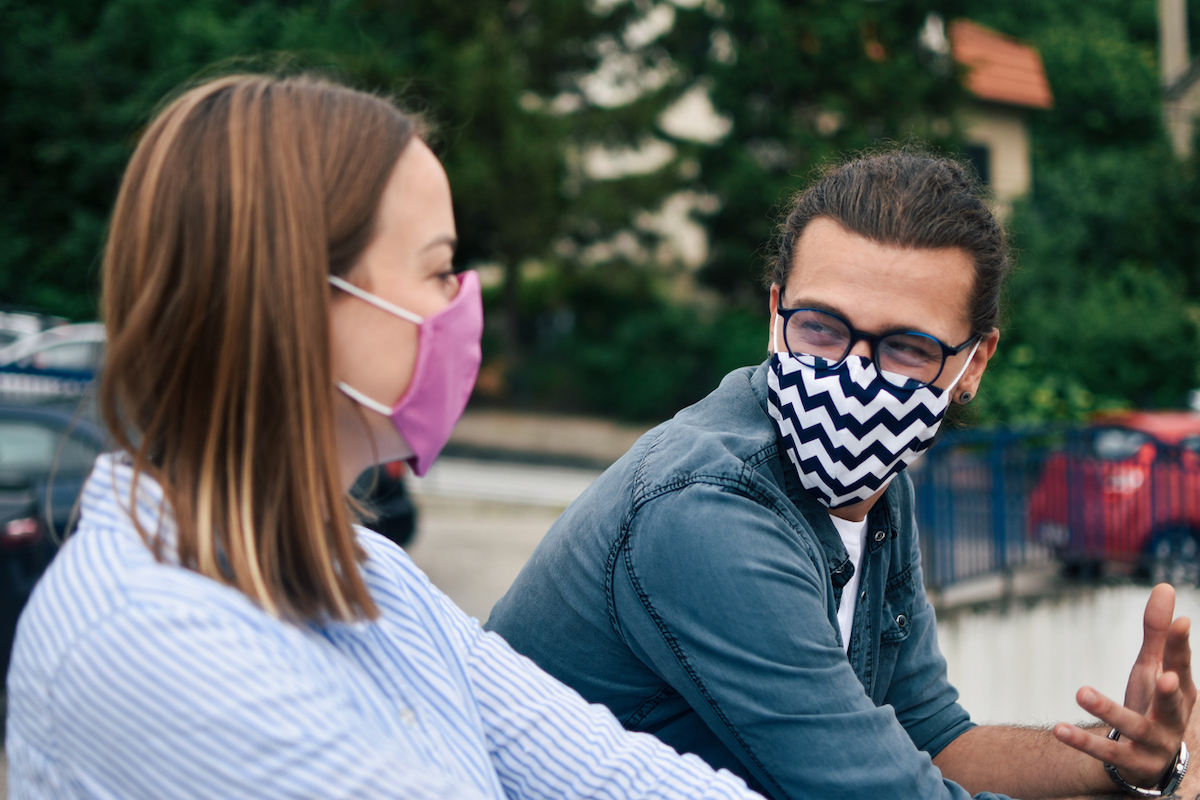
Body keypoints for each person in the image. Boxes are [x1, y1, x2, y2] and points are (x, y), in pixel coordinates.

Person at [4, 73, 766, 800]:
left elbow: (607, 774)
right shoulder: (149, 638)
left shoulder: (366, 573)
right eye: (439, 270)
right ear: (296, 301)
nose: (462, 302)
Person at [485, 151, 1197, 800]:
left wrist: (1121, 760)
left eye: (906, 347)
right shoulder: (705, 509)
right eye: (821, 328)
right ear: (774, 314)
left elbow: (931, 738)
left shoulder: (883, 490)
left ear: (972, 364)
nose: (851, 379)